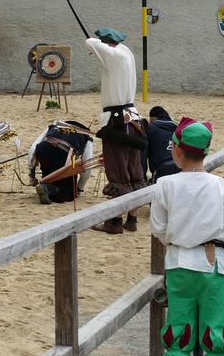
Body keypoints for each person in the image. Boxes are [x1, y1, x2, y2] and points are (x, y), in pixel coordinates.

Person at [150, 118, 224, 356]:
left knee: (178, 326)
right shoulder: (223, 187)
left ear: (176, 150)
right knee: (216, 326)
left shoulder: (165, 184)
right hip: (213, 264)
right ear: (206, 152)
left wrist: (175, 239)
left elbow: (158, 227)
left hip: (179, 262)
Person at [86, 27, 147, 234]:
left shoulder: (113, 56)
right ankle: (132, 220)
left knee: (118, 171)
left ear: (107, 44)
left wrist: (98, 43)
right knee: (134, 171)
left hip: (116, 122)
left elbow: (90, 43)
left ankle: (114, 223)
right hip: (133, 119)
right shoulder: (126, 53)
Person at [28, 119, 95, 205]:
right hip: (63, 154)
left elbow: (33, 148)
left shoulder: (53, 127)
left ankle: (46, 186)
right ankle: (49, 189)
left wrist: (31, 174)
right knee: (68, 194)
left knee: (48, 177)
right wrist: (79, 188)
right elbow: (87, 165)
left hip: (43, 149)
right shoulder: (86, 136)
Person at [143, 106, 180, 182]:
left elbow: (143, 155)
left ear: (153, 118)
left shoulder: (151, 128)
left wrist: (143, 176)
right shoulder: (178, 127)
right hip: (179, 167)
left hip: (160, 171)